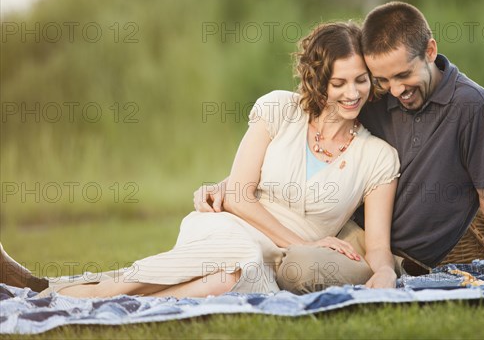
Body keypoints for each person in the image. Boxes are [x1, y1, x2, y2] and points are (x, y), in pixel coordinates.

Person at [0, 22, 401, 298]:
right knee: (236, 258)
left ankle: (74, 295)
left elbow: (379, 247)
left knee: (230, 281)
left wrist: (383, 271)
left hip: (279, 259)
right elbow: (239, 197)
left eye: (361, 80)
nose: (353, 93)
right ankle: (79, 293)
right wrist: (309, 243)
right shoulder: (279, 110)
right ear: (318, 80)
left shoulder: (378, 157)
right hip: (236, 226)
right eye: (340, 82)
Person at [195, 2, 484, 294]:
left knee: (297, 267)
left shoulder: (477, 111)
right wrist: (232, 188)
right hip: (340, 231)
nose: (395, 90)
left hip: (395, 253)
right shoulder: (373, 94)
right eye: (382, 79)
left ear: (431, 51)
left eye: (403, 75)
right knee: (255, 252)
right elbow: (310, 128)